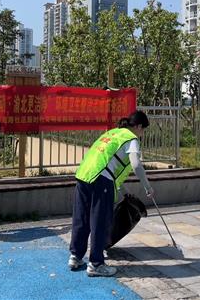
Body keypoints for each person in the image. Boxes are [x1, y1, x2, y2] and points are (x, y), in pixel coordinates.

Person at [69, 110, 154, 277]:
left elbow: (111, 164)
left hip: (83, 175)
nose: (142, 133)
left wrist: (124, 192)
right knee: (100, 221)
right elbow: (136, 164)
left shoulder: (113, 133)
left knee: (82, 218)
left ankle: (75, 256)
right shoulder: (131, 138)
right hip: (101, 181)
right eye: (143, 129)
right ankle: (96, 264)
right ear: (137, 126)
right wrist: (147, 187)